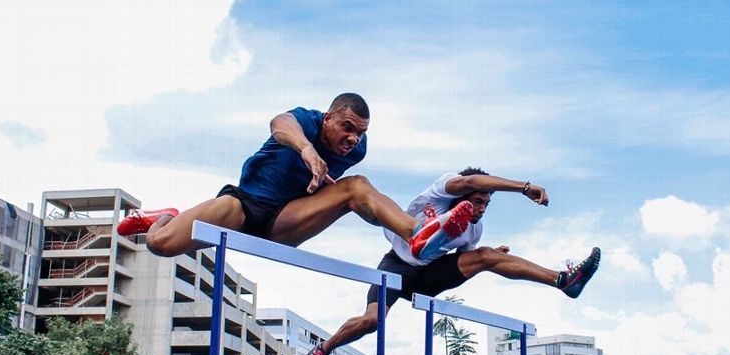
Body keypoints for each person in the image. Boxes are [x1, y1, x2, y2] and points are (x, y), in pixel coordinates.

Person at [294, 167, 601, 355]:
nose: (481, 210)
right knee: (371, 321)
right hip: (398, 264)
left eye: (486, 204)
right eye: (478, 202)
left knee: (483, 256)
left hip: (430, 274)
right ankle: (323, 349)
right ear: (463, 193)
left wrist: (490, 254)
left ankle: (562, 281)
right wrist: (523, 187)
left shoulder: (473, 229)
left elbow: (461, 261)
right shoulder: (442, 190)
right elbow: (469, 180)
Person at [116, 93, 474, 261]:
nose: (352, 140)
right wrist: (306, 150)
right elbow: (279, 125)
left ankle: (417, 233)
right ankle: (167, 216)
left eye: (360, 133)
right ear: (328, 117)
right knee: (160, 245)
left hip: (288, 221)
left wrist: (358, 206)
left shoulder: (357, 150)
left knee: (357, 187)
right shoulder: (306, 120)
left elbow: (361, 200)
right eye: (347, 129)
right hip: (245, 205)